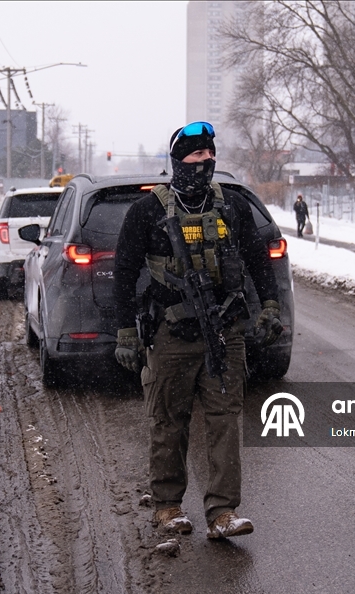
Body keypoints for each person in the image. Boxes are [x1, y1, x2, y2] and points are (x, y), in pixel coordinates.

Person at [112, 121, 284, 540]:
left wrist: (270, 306)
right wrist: (125, 332)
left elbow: (259, 261)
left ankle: (223, 512)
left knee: (225, 420)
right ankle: (168, 507)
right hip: (170, 333)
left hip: (226, 330)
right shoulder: (148, 211)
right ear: (178, 161)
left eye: (210, 154)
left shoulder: (232, 207)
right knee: (169, 421)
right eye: (196, 155)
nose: (205, 161)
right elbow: (123, 273)